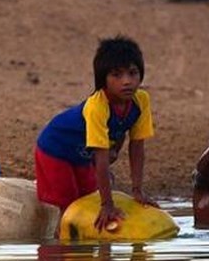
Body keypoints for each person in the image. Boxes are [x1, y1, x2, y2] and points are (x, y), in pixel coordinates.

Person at [35, 35, 158, 233]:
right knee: (69, 205)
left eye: (133, 73)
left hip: (84, 154)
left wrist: (137, 191)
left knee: (87, 200)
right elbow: (101, 157)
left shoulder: (141, 100)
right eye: (117, 75)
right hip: (55, 149)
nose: (127, 81)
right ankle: (59, 247)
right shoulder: (97, 107)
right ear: (103, 80)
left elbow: (137, 146)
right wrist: (107, 205)